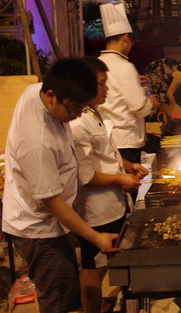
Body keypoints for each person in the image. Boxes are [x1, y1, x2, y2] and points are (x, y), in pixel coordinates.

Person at [2, 58, 118, 313]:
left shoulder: (36, 90)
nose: (77, 115)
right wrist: (96, 237)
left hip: (52, 219)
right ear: (52, 96)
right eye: (74, 109)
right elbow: (51, 202)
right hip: (38, 228)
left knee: (66, 290)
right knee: (59, 299)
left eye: (83, 107)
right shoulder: (37, 142)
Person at [70, 57, 148, 313]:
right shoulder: (77, 123)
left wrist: (127, 166)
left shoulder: (94, 112)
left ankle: (103, 302)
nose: (107, 89)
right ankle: (91, 308)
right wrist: (119, 179)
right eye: (102, 84)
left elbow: (106, 153)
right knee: (93, 265)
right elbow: (86, 175)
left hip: (113, 204)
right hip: (96, 210)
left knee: (107, 259)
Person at [97, 3, 159, 172]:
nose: (131, 46)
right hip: (126, 141)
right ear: (126, 37)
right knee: (128, 187)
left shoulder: (97, 63)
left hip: (106, 139)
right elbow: (138, 107)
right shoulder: (125, 67)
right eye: (132, 41)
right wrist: (151, 102)